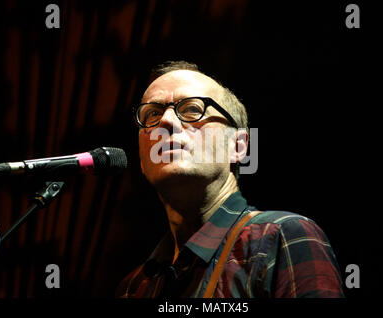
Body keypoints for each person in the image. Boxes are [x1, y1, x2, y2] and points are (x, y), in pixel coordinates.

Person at [116, 61, 344, 298]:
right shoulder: (133, 287)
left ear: (238, 146)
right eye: (152, 113)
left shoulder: (281, 236)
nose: (166, 122)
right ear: (142, 160)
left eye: (192, 109)